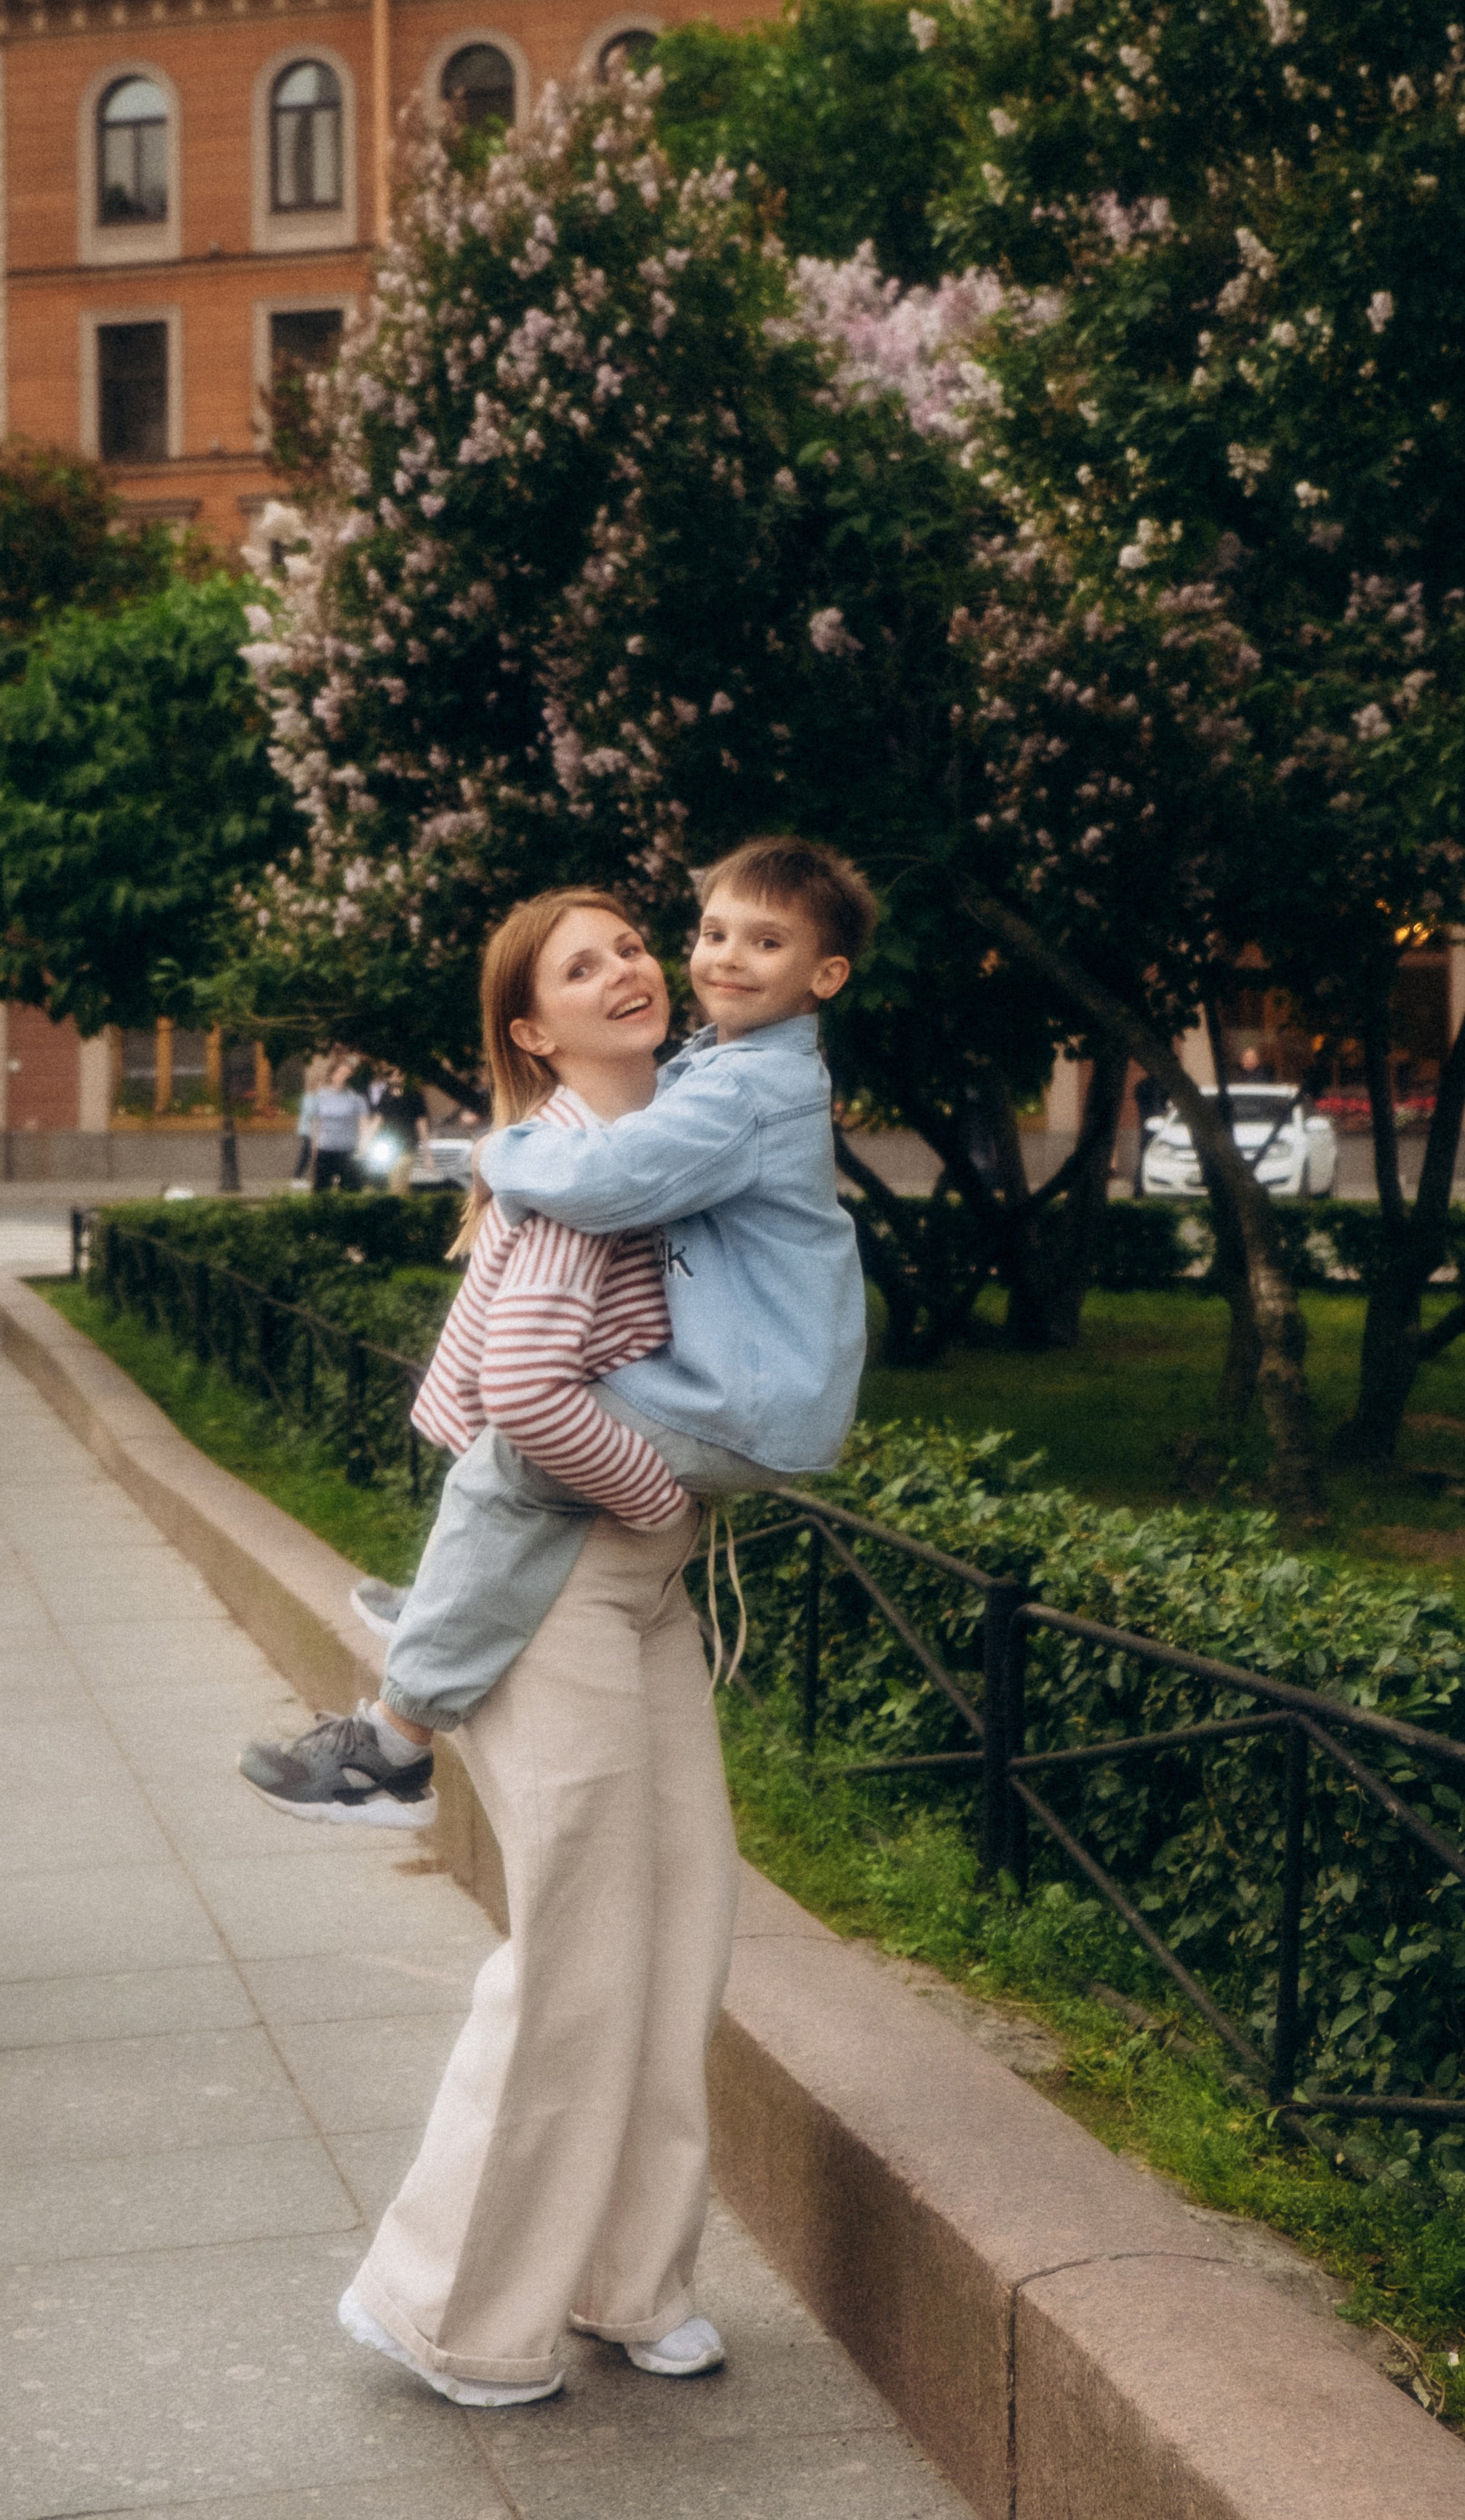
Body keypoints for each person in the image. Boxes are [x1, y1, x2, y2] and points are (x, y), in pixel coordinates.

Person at [238, 840, 874, 2404]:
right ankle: (452, 2311)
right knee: (580, 1951)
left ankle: (629, 2279)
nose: (636, 967)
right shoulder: (579, 1160)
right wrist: (650, 1491)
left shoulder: (681, 1123)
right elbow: (522, 1395)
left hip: (635, 1585)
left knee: (678, 1933)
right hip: (569, 1585)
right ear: (533, 1029)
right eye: (582, 967)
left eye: (629, 945)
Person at [367, 1065, 432, 1194]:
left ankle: (399, 1203)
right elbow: (378, 1120)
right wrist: (366, 1143)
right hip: (390, 1146)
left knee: (398, 1181)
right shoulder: (386, 1097)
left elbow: (421, 1124)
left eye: (399, 1074)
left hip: (408, 1146)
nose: (395, 1078)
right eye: (391, 1075)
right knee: (397, 1183)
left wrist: (427, 1153)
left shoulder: (414, 1096)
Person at [310, 1056, 369, 1190]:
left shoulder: (356, 1099)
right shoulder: (321, 1096)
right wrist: (314, 1147)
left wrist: (363, 1147)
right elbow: (316, 1122)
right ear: (333, 1075)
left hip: (347, 1149)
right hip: (325, 1148)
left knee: (349, 1188)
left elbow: (364, 1125)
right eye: (341, 1073)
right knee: (321, 1189)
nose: (343, 1077)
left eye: (347, 1074)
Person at [291, 1051, 331, 1185]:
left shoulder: (319, 1097)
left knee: (314, 1153)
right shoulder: (310, 1097)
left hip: (316, 1130)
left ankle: (305, 1176)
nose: (323, 1086)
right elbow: (311, 1114)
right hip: (309, 1130)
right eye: (321, 1083)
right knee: (307, 1153)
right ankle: (297, 1177)